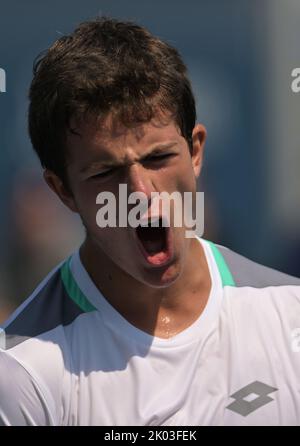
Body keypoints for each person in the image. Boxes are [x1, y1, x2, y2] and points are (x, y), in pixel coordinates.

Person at [0, 16, 300, 426]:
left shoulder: (291, 318)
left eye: (158, 158)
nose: (140, 194)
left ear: (195, 152)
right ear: (63, 191)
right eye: (105, 172)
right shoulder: (21, 372)